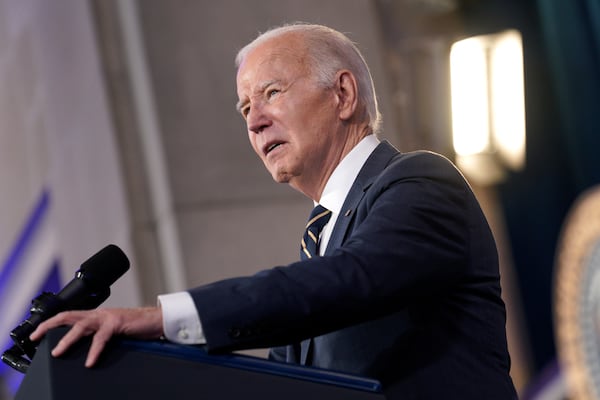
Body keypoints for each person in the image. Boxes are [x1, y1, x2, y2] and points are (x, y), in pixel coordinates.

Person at [31, 23, 517, 399]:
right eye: (245, 109)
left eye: (271, 93)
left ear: (342, 95)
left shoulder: (420, 183)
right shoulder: (317, 244)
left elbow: (343, 282)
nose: (256, 121)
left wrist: (161, 319)